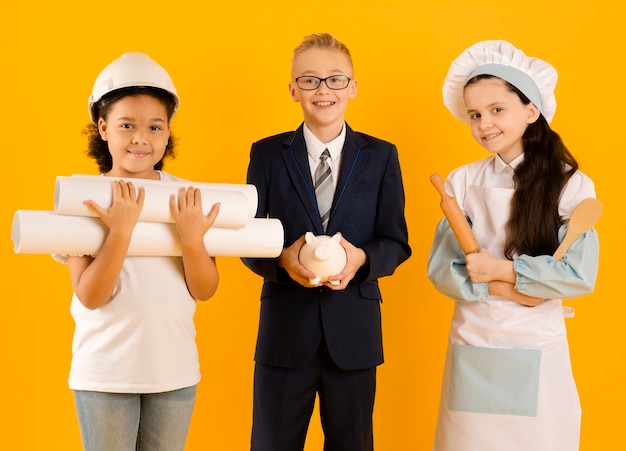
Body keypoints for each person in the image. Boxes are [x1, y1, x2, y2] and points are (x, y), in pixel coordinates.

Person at [241, 33, 411, 451]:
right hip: (284, 333)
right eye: (310, 80)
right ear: (293, 89)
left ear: (352, 87)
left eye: (335, 79)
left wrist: (361, 259)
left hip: (354, 335)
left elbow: (396, 241)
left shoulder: (382, 155)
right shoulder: (266, 154)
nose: (323, 90)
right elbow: (245, 237)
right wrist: (282, 260)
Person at [427, 40, 599, 450]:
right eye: (475, 115)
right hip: (475, 342)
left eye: (497, 110)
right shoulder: (462, 182)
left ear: (531, 110)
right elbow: (442, 271)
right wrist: (515, 288)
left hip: (537, 344)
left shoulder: (571, 185)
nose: (484, 124)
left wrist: (501, 270)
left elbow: (577, 276)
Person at [55, 52, 220, 451]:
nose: (141, 138)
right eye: (126, 125)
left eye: (154, 127)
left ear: (168, 133)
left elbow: (205, 288)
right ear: (103, 128)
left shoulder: (186, 196)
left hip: (174, 373)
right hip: (106, 376)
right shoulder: (84, 200)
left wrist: (193, 240)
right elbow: (91, 296)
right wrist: (121, 231)